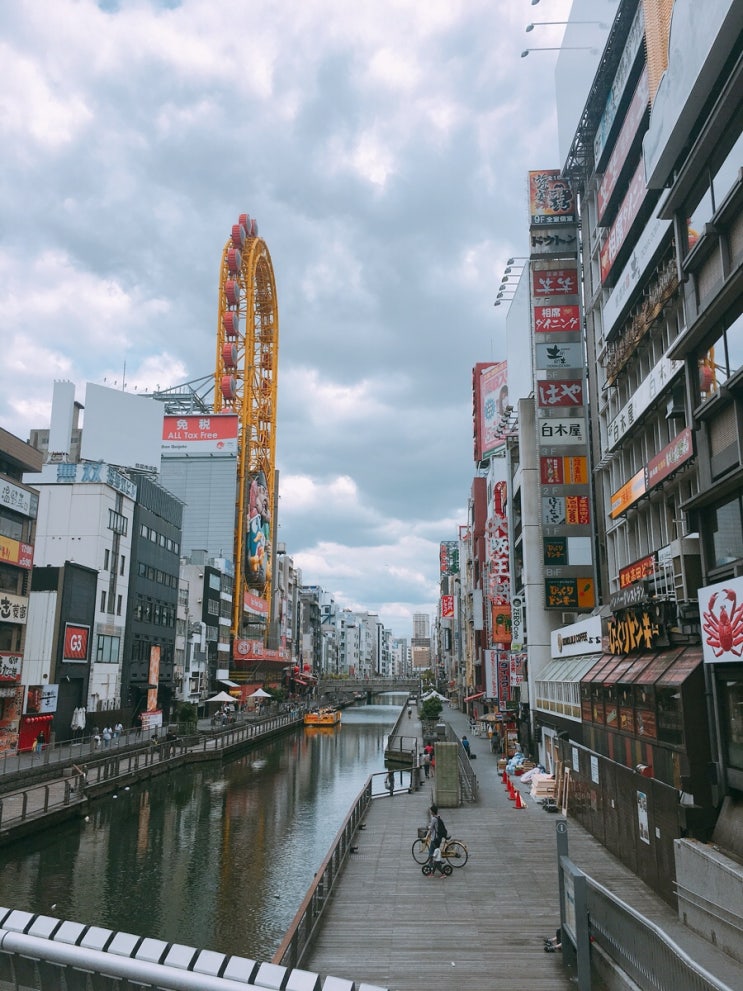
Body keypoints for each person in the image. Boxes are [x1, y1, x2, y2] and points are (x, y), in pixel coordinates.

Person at [425, 803, 448, 874]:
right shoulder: (438, 817)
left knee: (431, 852)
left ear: (432, 811)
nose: (430, 812)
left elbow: (431, 828)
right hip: (439, 838)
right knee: (436, 851)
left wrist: (427, 835)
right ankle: (437, 862)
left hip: (434, 839)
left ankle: (431, 865)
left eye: (431, 811)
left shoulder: (434, 819)